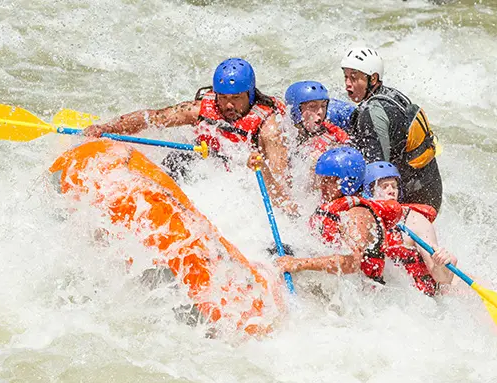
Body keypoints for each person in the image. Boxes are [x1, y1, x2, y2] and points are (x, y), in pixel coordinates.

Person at [83, 58, 289, 182]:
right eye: (223, 97)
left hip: (243, 180)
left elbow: (282, 191)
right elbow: (152, 118)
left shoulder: (269, 129)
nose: (228, 105)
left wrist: (261, 169)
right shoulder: (199, 109)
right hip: (207, 166)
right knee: (177, 160)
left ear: (250, 95)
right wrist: (106, 127)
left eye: (236, 98)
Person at [275, 146, 405, 278]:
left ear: (348, 182)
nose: (322, 186)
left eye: (329, 181)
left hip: (361, 292)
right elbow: (284, 204)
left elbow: (353, 263)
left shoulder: (356, 214)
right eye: (322, 179)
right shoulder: (332, 207)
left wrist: (299, 264)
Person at [341, 47, 443, 212]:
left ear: (372, 79)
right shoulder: (393, 96)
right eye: (345, 77)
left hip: (415, 199)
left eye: (354, 78)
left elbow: (379, 171)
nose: (347, 84)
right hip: (431, 189)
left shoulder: (371, 113)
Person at [246, 81, 350, 214]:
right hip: (283, 202)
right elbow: (280, 186)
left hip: (307, 210)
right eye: (312, 106)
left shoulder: (330, 144)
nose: (320, 112)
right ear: (296, 110)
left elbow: (297, 201)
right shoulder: (279, 135)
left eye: (324, 106)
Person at [362, 161, 455, 296]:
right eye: (384, 186)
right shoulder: (361, 218)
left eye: (394, 186)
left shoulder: (415, 221)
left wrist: (440, 264)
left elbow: (441, 278)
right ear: (369, 190)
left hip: (418, 298)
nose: (391, 190)